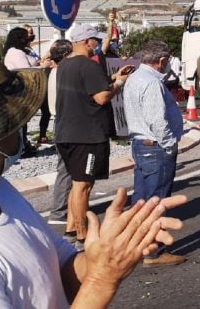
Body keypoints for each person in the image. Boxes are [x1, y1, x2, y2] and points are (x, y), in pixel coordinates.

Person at [0, 38, 187, 307]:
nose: (21, 124)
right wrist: (102, 279)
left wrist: (106, 254)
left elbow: (61, 268)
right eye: (12, 116)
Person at [56, 23, 134, 245]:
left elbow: (87, 89)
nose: (98, 43)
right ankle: (82, 235)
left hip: (66, 132)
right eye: (95, 40)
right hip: (87, 134)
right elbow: (101, 97)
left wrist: (112, 78)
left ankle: (72, 229)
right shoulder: (88, 65)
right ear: (86, 41)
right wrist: (119, 83)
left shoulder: (65, 65)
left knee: (76, 183)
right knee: (84, 186)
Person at [123, 40, 187, 268]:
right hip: (155, 147)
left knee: (141, 200)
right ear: (161, 60)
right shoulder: (151, 83)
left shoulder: (135, 78)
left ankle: (137, 245)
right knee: (156, 201)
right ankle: (154, 251)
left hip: (141, 144)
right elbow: (157, 120)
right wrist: (170, 144)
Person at [45, 39, 75, 228]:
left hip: (60, 122)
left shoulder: (55, 72)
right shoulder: (62, 74)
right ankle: (59, 211)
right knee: (66, 169)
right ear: (65, 56)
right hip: (66, 122)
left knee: (66, 168)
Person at [3, 27, 41, 157]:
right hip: (19, 92)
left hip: (23, 91)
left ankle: (23, 146)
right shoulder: (15, 53)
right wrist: (42, 67)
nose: (28, 39)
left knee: (24, 123)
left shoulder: (21, 51)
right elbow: (27, 71)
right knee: (21, 123)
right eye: (25, 36)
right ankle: (21, 148)